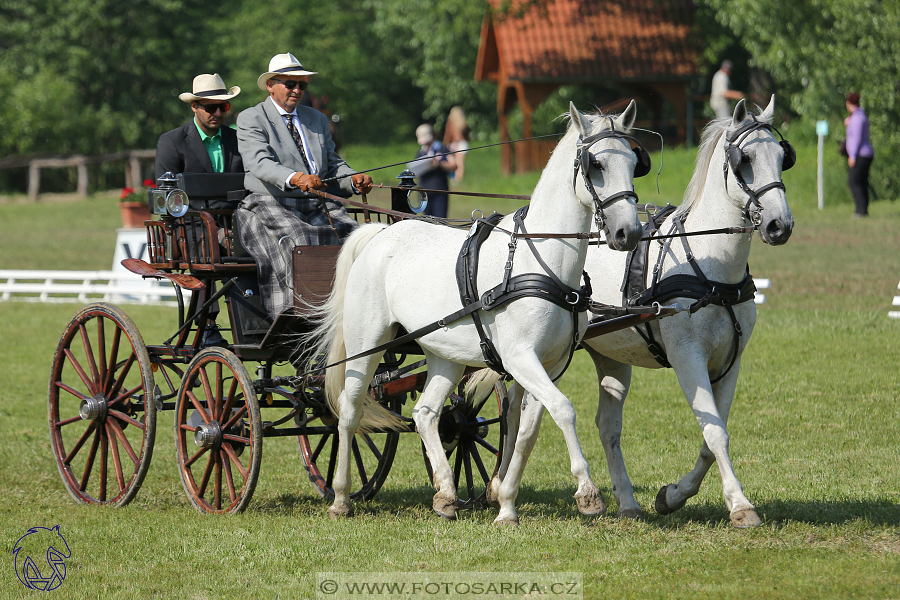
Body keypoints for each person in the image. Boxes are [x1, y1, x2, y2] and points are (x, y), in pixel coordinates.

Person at [235, 53, 372, 318]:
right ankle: (303, 312)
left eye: (302, 85)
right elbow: (259, 163)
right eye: (290, 84)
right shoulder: (251, 118)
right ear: (270, 85)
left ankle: (358, 308)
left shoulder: (316, 119)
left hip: (317, 202)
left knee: (359, 239)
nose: (297, 90)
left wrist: (353, 179)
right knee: (302, 241)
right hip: (270, 201)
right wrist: (296, 178)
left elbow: (333, 165)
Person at [155, 73, 244, 347]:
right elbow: (167, 194)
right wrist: (214, 224)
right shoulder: (173, 142)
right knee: (210, 245)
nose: (218, 113)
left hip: (233, 222)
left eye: (223, 107)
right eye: (210, 107)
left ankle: (256, 322)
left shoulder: (237, 140)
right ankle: (207, 324)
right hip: (190, 225)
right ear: (194, 106)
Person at [411, 124, 455, 219]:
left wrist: (439, 164)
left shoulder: (442, 149)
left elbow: (453, 165)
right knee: (427, 220)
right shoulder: (420, 152)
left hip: (440, 189)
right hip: (424, 190)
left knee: (441, 219)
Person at [844, 92, 875, 217]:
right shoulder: (859, 115)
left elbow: (856, 138)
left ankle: (860, 210)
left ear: (848, 103)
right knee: (861, 182)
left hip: (860, 154)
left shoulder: (857, 119)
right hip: (865, 153)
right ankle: (863, 210)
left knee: (854, 182)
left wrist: (852, 155)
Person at [443, 106, 470, 183]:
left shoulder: (450, 123)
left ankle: (456, 178)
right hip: (463, 143)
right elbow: (466, 135)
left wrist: (446, 144)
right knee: (460, 162)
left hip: (455, 144)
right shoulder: (464, 123)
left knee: (455, 162)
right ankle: (459, 177)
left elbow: (448, 135)